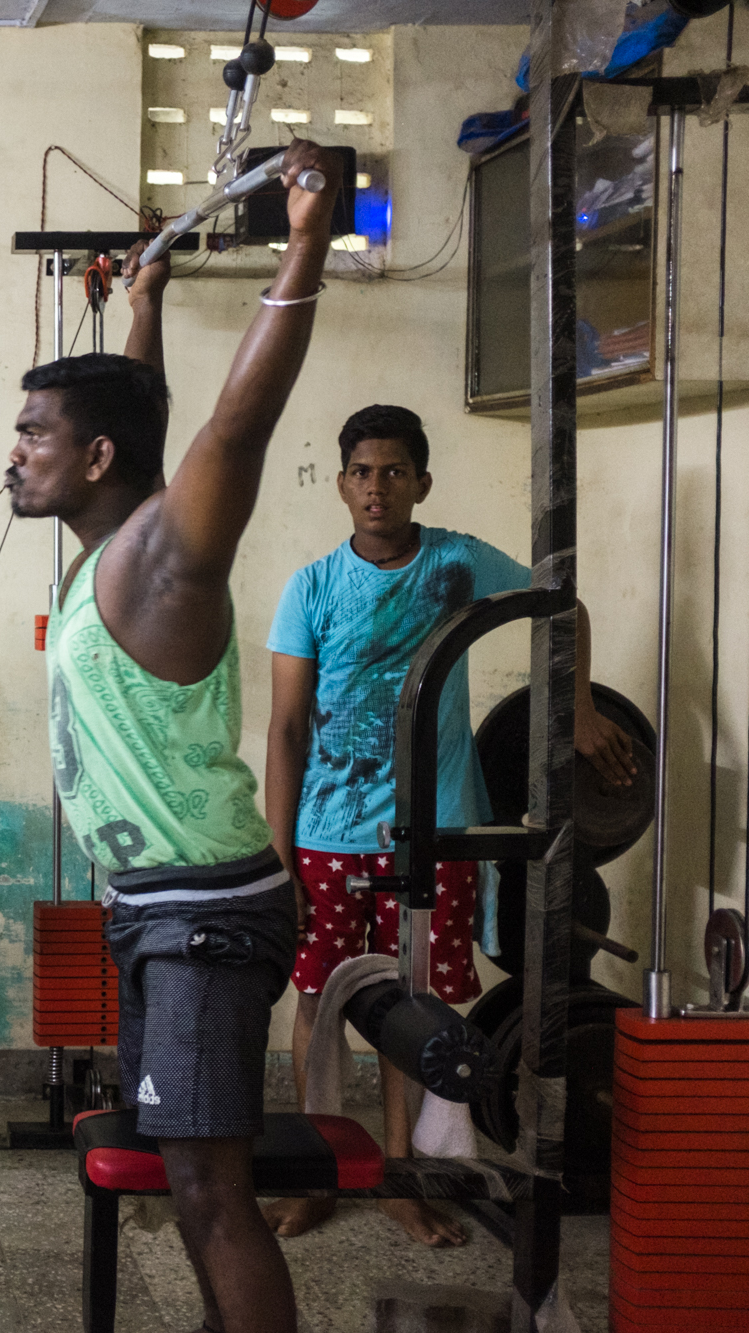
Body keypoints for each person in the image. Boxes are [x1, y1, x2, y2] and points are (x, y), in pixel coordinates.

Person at [8, 142, 339, 1333]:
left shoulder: (157, 556)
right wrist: (141, 302)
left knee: (209, 1191)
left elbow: (230, 433)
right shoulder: (116, 539)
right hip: (162, 910)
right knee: (186, 1176)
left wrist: (302, 246)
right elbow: (136, 424)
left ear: (89, 459)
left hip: (201, 914)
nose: (14, 452)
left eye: (32, 434)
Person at [262, 403, 638, 1246]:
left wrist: (574, 709)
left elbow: (560, 608)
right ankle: (328, 1171)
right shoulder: (313, 587)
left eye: (394, 471)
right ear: (341, 484)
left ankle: (402, 1177)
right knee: (320, 1002)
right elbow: (287, 729)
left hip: (436, 833)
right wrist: (280, 855)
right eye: (362, 471)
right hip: (329, 833)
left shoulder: (458, 562)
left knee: (419, 1009)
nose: (377, 487)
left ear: (421, 482)